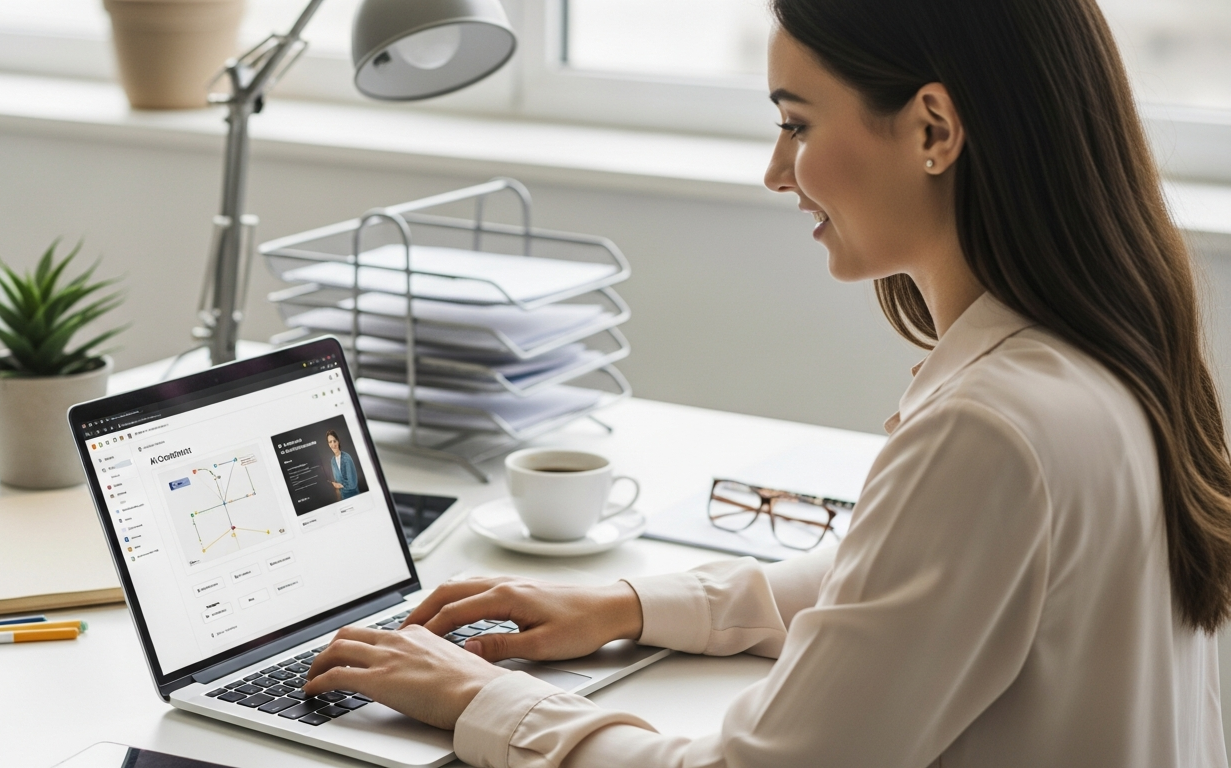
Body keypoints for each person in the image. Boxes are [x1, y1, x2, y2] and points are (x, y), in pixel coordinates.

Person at [304, 0, 1231, 765]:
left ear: (934, 129)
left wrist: (484, 701)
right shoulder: (1107, 357)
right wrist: (630, 606)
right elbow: (900, 584)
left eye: (797, 124)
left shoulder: (989, 431)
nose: (775, 171)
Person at [326, 430, 359, 500]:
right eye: (330, 442)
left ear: (338, 441)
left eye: (334, 441)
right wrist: (334, 484)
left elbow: (352, 484)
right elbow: (337, 480)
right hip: (343, 497)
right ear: (328, 444)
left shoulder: (346, 458)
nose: (333, 444)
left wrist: (339, 486)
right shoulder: (333, 461)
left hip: (354, 495)